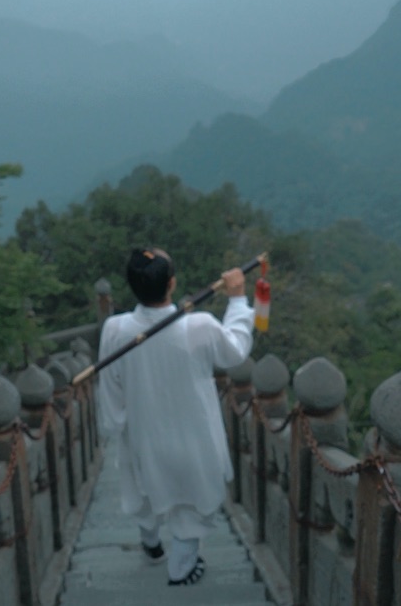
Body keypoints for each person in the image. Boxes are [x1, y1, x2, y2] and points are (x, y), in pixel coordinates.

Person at [98, 248, 254, 586]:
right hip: (193, 437)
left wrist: (115, 425)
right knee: (189, 500)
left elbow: (110, 387)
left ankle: (152, 544)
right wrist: (239, 299)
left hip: (143, 435)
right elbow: (236, 350)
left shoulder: (115, 329)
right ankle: (181, 568)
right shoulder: (199, 325)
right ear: (172, 283)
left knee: (145, 490)